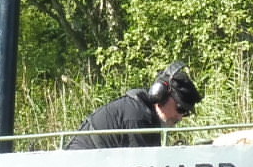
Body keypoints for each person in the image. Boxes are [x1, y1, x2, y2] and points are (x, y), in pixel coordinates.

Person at [66, 64, 203, 150]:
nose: (180, 117)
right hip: (80, 165)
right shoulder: (137, 117)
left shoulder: (149, 118)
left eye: (186, 113)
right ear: (160, 95)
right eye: (180, 108)